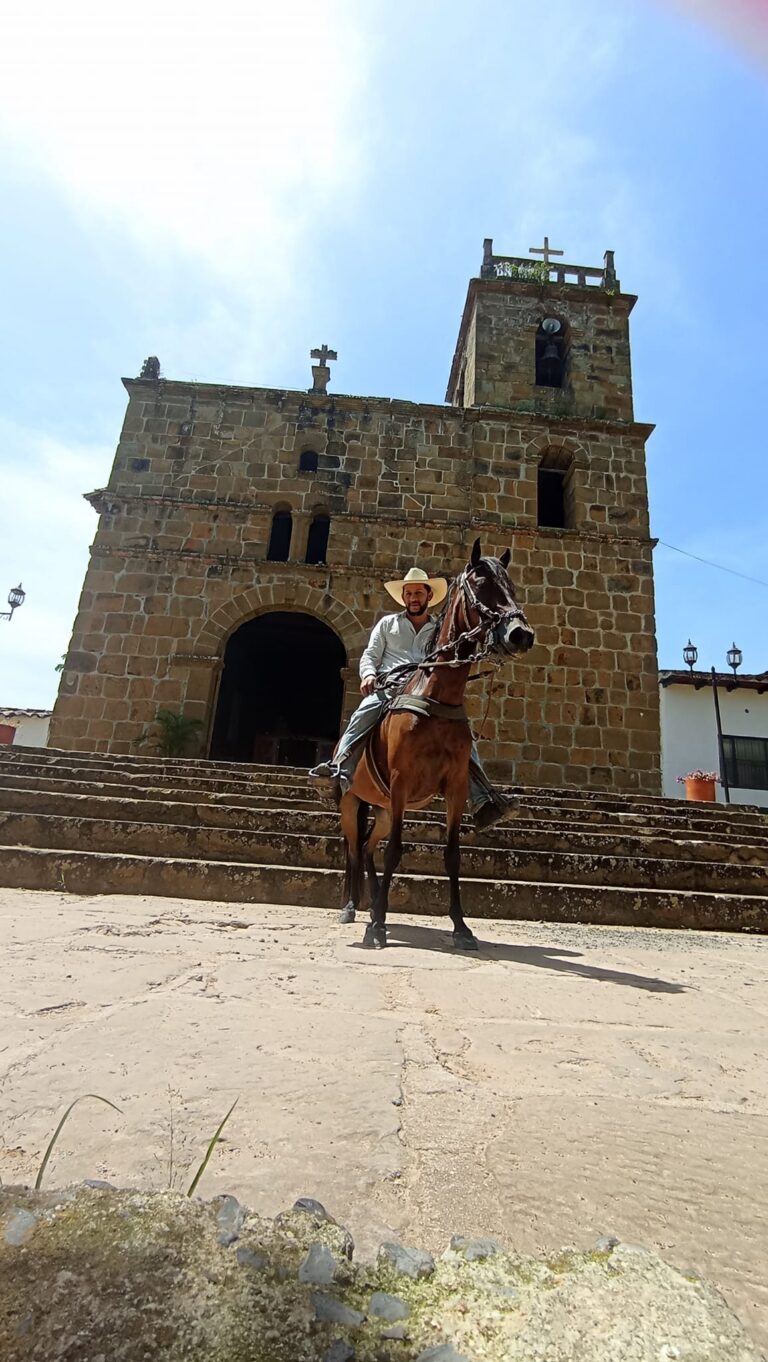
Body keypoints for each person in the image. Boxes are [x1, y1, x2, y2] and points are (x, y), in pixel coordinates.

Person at [309, 566, 509, 830]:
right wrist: (368, 675)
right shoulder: (387, 625)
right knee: (364, 713)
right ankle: (340, 772)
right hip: (390, 686)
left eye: (418, 593)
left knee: (462, 735)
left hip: (428, 690)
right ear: (404, 597)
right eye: (409, 593)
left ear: (428, 596)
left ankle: (482, 799)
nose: (413, 598)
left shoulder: (440, 628)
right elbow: (370, 655)